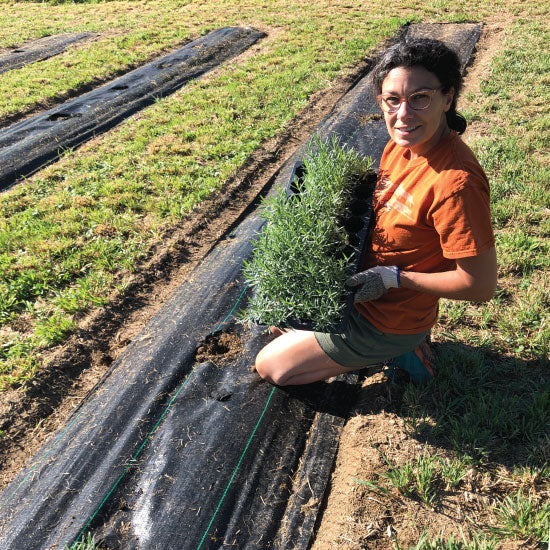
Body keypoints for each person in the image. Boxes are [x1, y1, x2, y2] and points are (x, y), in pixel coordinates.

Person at [254, 37, 497, 386]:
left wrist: (394, 278)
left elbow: (480, 286)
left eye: (420, 98)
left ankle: (401, 349)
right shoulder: (401, 147)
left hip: (392, 317)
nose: (403, 115)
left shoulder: (456, 185)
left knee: (273, 366)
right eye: (392, 100)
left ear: (448, 97)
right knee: (282, 316)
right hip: (358, 286)